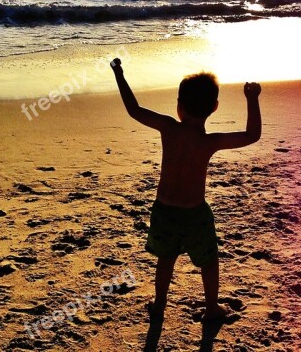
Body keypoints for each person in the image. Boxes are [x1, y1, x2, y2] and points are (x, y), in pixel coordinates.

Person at [110, 58, 262, 322]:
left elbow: (134, 109)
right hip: (194, 214)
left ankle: (159, 305)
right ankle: (212, 307)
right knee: (208, 260)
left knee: (166, 258)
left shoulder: (169, 127)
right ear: (214, 107)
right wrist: (252, 97)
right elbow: (252, 136)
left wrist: (119, 73)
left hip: (164, 210)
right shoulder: (208, 142)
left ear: (179, 106)